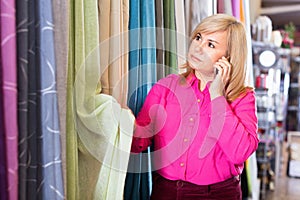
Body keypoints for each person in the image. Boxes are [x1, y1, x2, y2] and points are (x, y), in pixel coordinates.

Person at [130, 13, 259, 200]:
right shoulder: (167, 87)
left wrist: (217, 96)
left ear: (228, 58)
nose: (197, 47)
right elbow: (138, 142)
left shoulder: (242, 97)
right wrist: (120, 121)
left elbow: (240, 152)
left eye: (211, 44)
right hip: (165, 192)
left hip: (217, 195)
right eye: (198, 37)